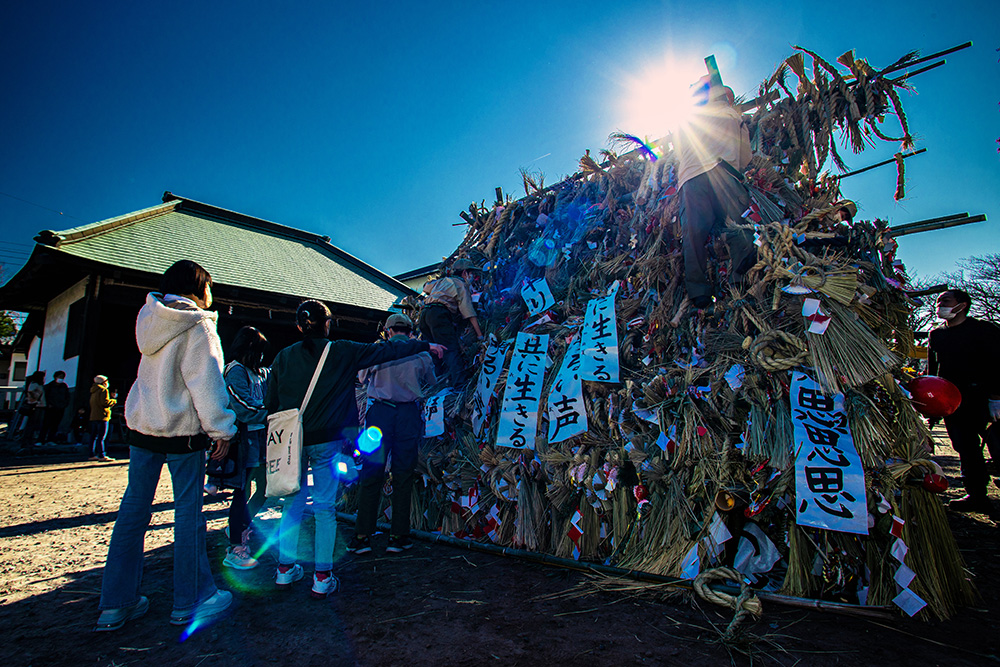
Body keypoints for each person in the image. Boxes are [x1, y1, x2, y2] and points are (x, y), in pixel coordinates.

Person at [265, 300, 445, 598]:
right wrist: (425, 346)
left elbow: (271, 403)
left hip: (303, 438)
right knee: (332, 504)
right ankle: (329, 573)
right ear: (329, 323)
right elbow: (399, 359)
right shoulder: (343, 350)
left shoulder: (283, 357)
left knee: (296, 502)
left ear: (299, 326)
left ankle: (291, 567)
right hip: (345, 434)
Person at [95, 259, 237, 632]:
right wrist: (222, 429)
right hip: (182, 435)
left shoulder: (149, 319)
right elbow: (205, 384)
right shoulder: (199, 327)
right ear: (199, 288)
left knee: (132, 513)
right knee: (188, 513)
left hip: (143, 428)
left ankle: (115, 603)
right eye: (210, 287)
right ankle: (192, 600)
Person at [351, 313, 436, 554]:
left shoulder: (378, 350)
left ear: (388, 331)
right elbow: (430, 380)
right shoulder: (421, 353)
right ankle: (398, 536)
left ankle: (361, 536)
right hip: (408, 415)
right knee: (403, 474)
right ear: (410, 332)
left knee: (371, 472)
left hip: (379, 416)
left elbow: (361, 378)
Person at [673, 82, 754, 309]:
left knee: (693, 236)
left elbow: (679, 150)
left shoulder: (688, 118)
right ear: (728, 98)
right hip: (724, 174)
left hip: (691, 178)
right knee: (737, 226)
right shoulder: (734, 116)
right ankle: (739, 281)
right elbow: (745, 157)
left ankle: (699, 293)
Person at [927, 289, 1000, 512]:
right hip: (953, 400)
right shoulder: (937, 335)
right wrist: (933, 404)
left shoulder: (984, 330)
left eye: (945, 301)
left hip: (983, 397)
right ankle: (977, 495)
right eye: (939, 301)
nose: (940, 305)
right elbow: (934, 370)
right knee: (966, 448)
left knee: (998, 445)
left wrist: (996, 397)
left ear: (962, 305)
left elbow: (998, 363)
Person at [220, 326, 271, 570]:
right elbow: (242, 406)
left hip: (260, 439)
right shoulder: (235, 371)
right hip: (243, 440)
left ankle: (241, 525)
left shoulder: (258, 372)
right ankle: (235, 547)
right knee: (241, 492)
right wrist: (269, 415)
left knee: (266, 486)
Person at [419, 258, 484, 384]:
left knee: (432, 350)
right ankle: (459, 385)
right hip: (439, 314)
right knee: (451, 349)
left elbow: (426, 288)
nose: (472, 277)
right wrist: (480, 335)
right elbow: (469, 312)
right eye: (471, 273)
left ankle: (432, 383)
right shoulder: (461, 284)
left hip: (425, 314)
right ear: (465, 273)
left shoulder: (442, 281)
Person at [88, 375, 117, 461]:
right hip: (102, 416)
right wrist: (113, 401)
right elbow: (105, 402)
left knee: (93, 436)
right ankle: (101, 455)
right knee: (101, 437)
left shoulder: (93, 390)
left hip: (94, 416)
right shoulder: (103, 390)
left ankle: (91, 454)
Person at [40, 370, 71, 444]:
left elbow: (67, 396)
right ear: (55, 377)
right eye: (60, 377)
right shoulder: (49, 386)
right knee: (46, 424)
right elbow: (45, 396)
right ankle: (41, 440)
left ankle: (51, 439)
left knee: (55, 425)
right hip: (50, 408)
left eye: (62, 377)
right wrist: (48, 404)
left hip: (60, 408)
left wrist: (65, 404)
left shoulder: (64, 386)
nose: (61, 378)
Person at [17, 371, 46, 448]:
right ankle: (26, 441)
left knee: (32, 424)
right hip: (36, 405)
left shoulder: (35, 384)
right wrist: (36, 399)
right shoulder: (34, 384)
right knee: (31, 424)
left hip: (37, 405)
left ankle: (28, 440)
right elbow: (31, 393)